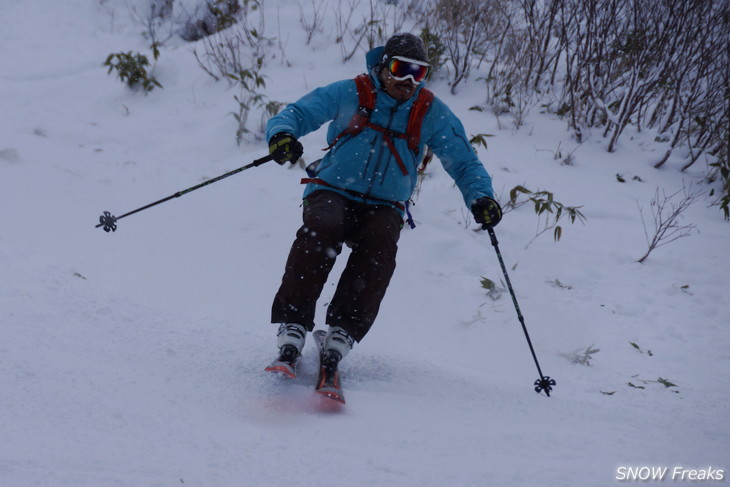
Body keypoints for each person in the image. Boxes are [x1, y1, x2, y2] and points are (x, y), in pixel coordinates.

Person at [264, 33, 502, 381]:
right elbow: (299, 113)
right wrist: (282, 134)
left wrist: (481, 197)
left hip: (385, 203)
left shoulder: (430, 112)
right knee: (322, 229)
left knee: (379, 247)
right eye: (399, 69)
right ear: (383, 66)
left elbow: (464, 162)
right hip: (332, 188)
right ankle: (293, 325)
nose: (407, 81)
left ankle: (342, 330)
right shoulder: (352, 92)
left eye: (417, 74)